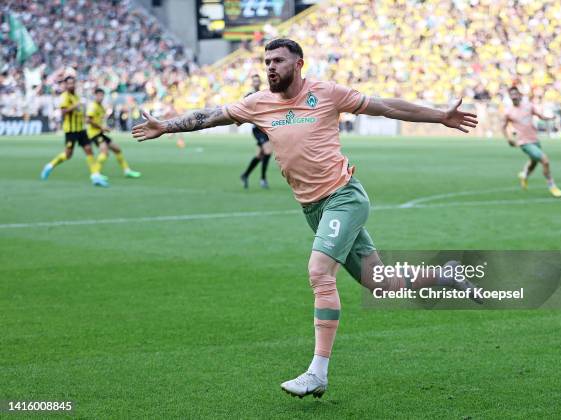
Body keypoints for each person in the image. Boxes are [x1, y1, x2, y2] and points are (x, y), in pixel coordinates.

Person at [132, 38, 479, 399]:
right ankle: (446, 273)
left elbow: (385, 107)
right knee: (380, 282)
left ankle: (318, 372)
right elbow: (209, 116)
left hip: (344, 197)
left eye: (278, 60)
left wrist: (440, 115)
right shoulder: (257, 103)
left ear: (298, 64)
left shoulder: (327, 93)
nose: (270, 67)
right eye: (266, 61)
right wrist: (167, 126)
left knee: (318, 271)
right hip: (313, 209)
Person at [40, 76, 108, 187]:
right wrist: (75, 106)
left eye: (73, 83)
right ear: (66, 85)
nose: (71, 85)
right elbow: (63, 112)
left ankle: (95, 176)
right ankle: (49, 166)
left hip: (81, 129)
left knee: (89, 150)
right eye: (69, 83)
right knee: (68, 155)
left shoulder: (76, 96)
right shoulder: (65, 97)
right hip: (71, 131)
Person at [502, 86, 561, 197]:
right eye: (512, 94)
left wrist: (550, 118)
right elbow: (503, 127)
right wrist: (509, 139)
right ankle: (552, 186)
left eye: (516, 93)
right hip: (523, 142)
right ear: (510, 97)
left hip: (534, 139)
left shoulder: (529, 106)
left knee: (534, 162)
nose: (514, 96)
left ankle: (524, 175)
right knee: (545, 161)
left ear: (519, 95)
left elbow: (540, 116)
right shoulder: (508, 112)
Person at [87, 88, 141, 178]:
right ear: (95, 96)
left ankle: (127, 171)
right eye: (99, 95)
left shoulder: (100, 107)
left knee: (117, 149)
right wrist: (102, 127)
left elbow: (100, 119)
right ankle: (95, 174)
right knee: (105, 152)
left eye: (102, 95)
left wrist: (104, 128)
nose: (101, 97)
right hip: (94, 134)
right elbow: (88, 120)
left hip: (100, 133)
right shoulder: (93, 106)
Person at [240, 74, 273, 189]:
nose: (256, 82)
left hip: (264, 128)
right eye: (254, 81)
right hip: (257, 129)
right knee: (268, 151)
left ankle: (245, 175)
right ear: (252, 82)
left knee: (260, 155)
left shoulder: (263, 93)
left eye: (258, 81)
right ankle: (263, 179)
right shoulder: (249, 95)